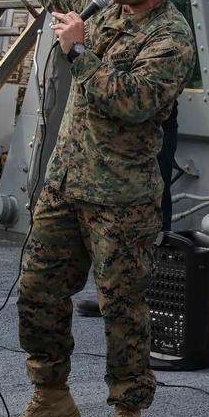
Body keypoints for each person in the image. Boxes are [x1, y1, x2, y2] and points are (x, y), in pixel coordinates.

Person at [0, 0, 196, 417]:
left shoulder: (169, 40)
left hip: (121, 199)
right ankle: (50, 396)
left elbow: (132, 103)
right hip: (66, 184)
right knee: (37, 292)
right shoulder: (103, 3)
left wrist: (76, 50)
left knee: (123, 307)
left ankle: (128, 414)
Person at [75, 113, 178, 317]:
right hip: (118, 130)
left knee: (152, 206)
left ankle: (153, 294)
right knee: (118, 211)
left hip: (151, 128)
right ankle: (116, 294)